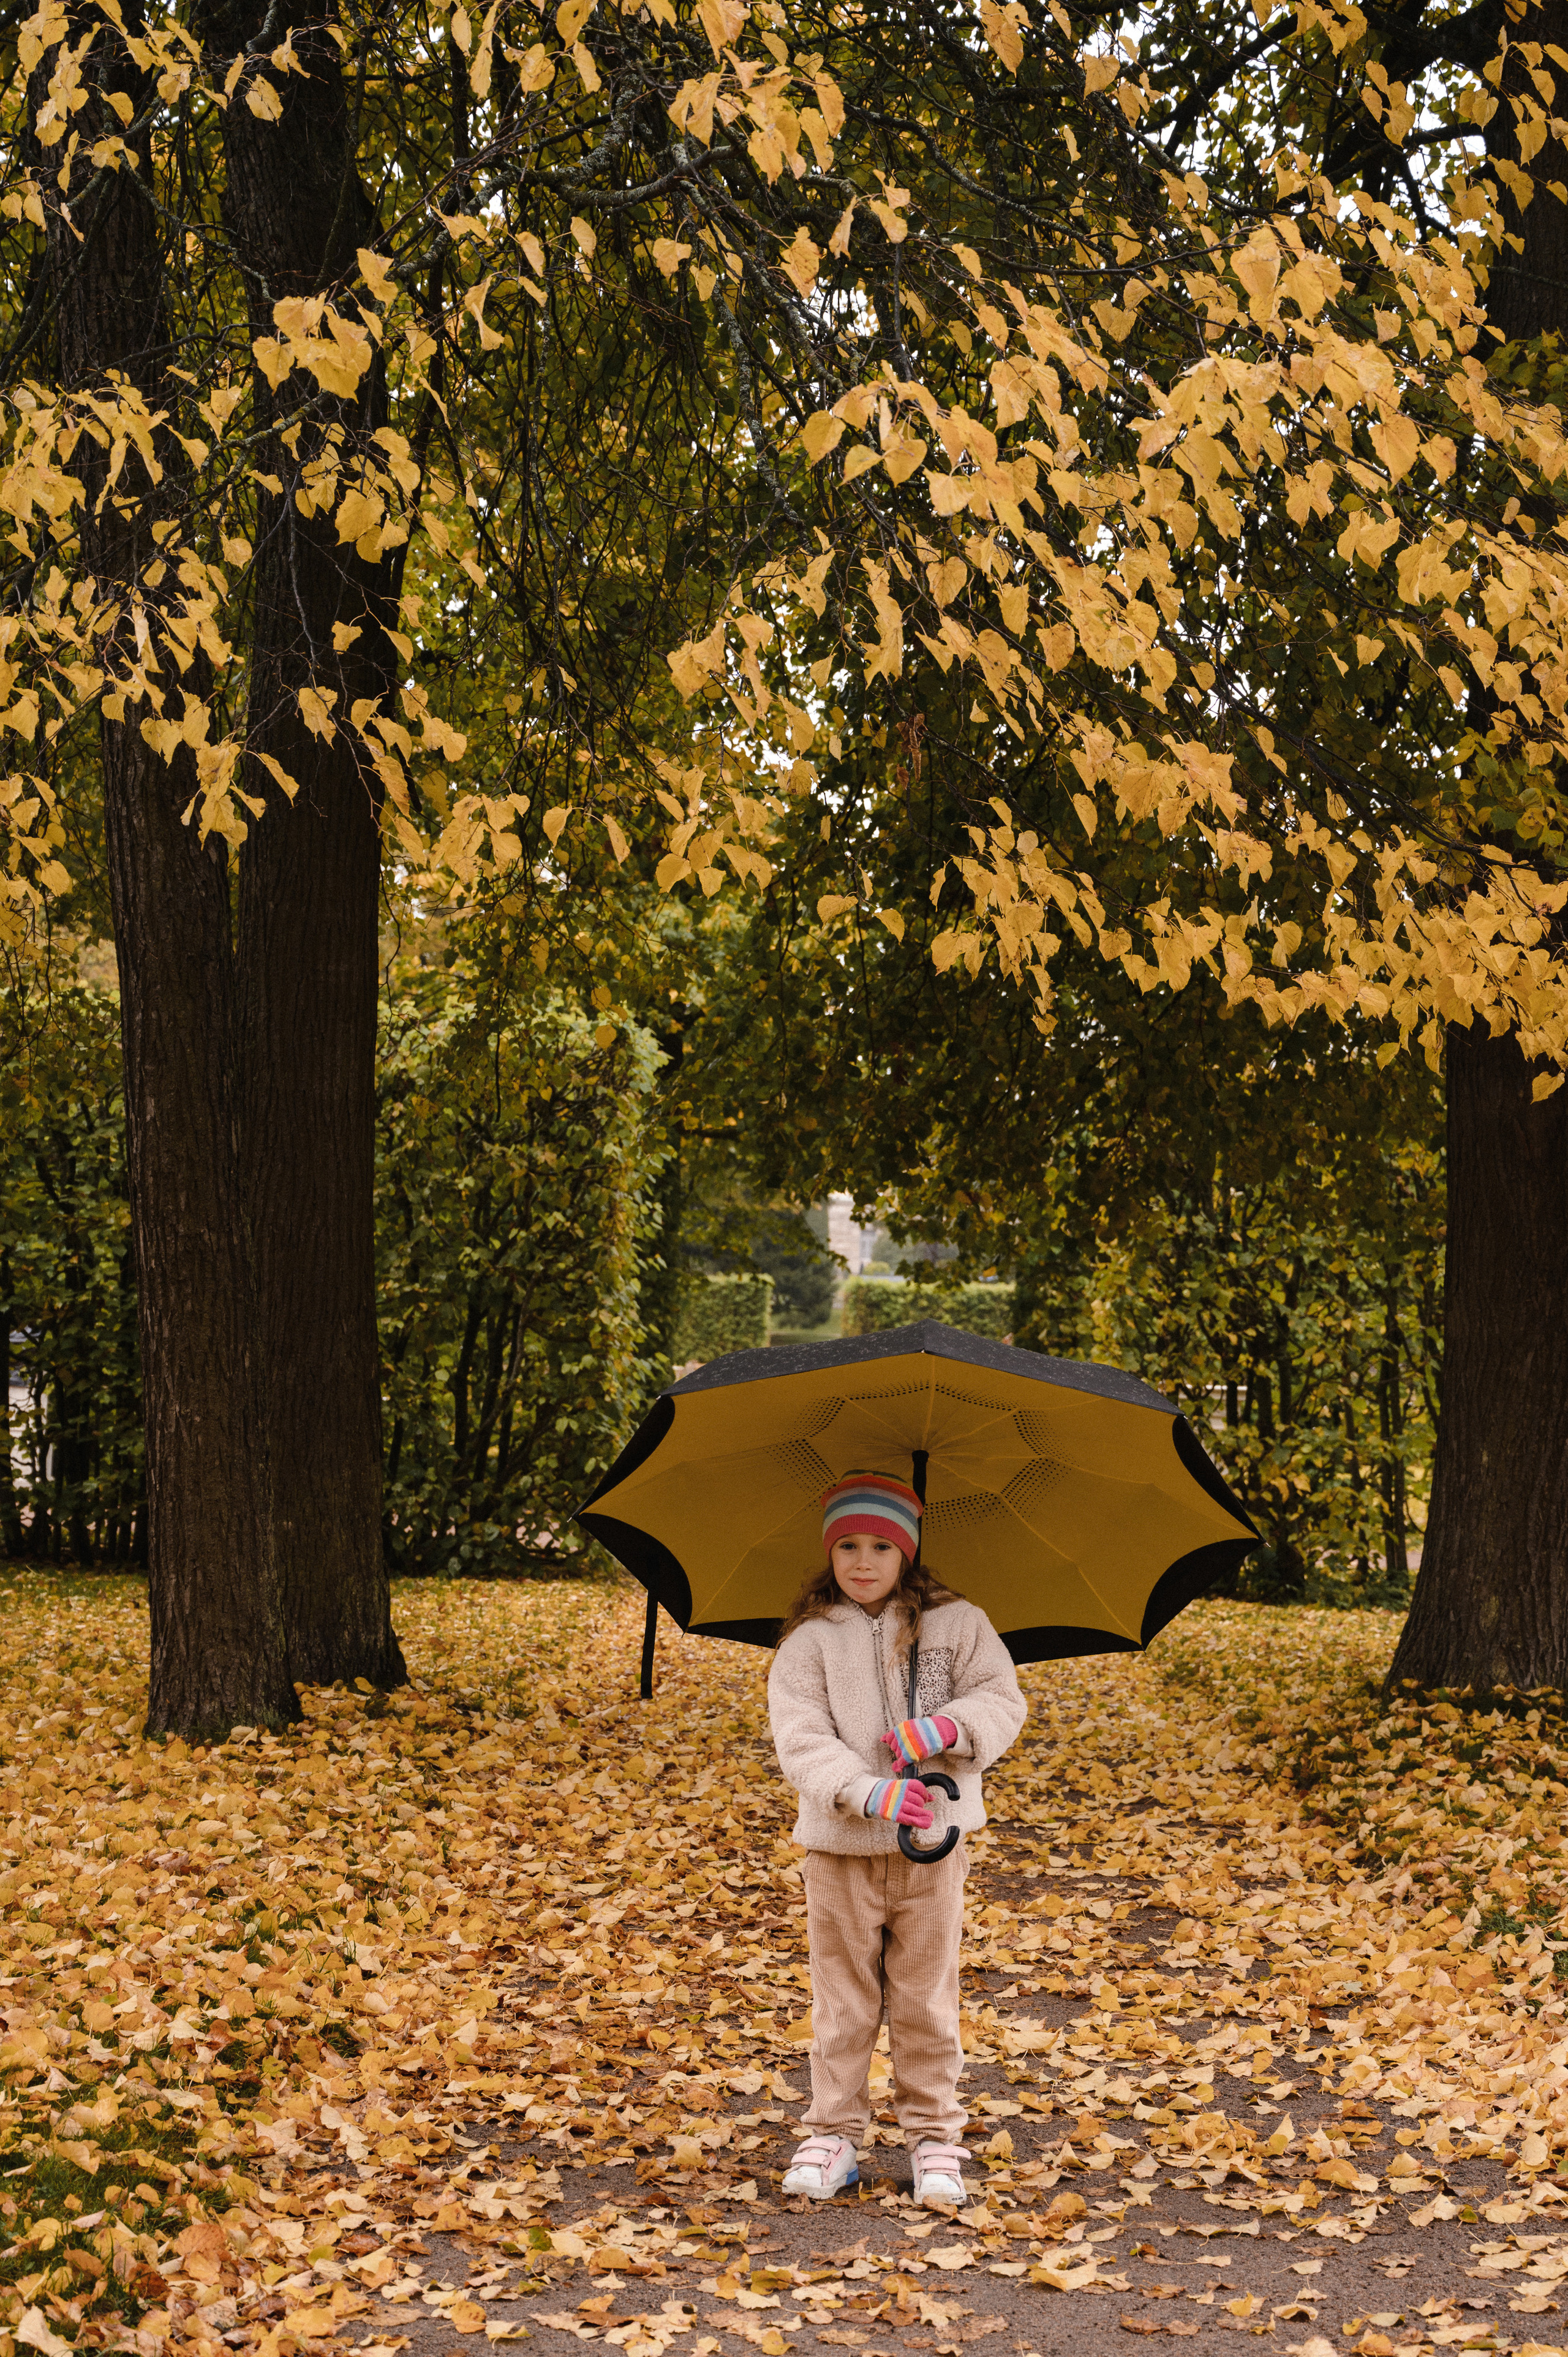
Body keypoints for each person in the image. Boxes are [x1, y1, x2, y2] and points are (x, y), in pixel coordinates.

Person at [767, 1469, 1027, 2209]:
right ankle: (834, 2134)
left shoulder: (958, 1623)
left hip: (933, 1849)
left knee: (924, 1996)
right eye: (847, 1544)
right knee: (844, 1999)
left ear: (907, 1551)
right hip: (841, 1852)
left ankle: (934, 2137)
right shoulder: (810, 1642)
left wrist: (949, 1727)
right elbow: (801, 1737)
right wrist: (868, 1789)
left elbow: (1001, 1700)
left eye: (882, 1544)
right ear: (829, 1552)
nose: (863, 1560)